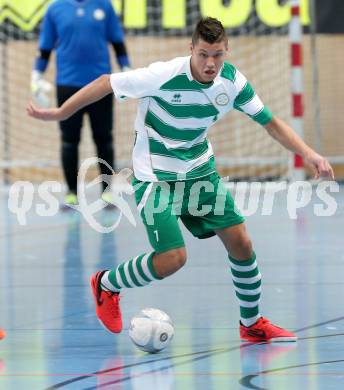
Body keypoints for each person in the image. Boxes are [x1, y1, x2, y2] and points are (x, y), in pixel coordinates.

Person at [27, 17, 334, 342]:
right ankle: (106, 284)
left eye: (217, 54)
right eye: (203, 54)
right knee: (173, 258)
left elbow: (271, 123)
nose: (210, 63)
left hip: (199, 169)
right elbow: (106, 81)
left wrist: (310, 154)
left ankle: (251, 323)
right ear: (191, 49)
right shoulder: (164, 75)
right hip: (154, 174)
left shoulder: (232, 83)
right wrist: (61, 112)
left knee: (241, 243)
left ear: (226, 50)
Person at [31, 0, 130, 206]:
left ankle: (107, 191)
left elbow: (117, 42)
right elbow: (45, 48)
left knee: (104, 139)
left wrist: (126, 69)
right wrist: (36, 75)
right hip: (67, 84)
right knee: (69, 140)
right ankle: (71, 193)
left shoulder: (104, 6)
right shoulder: (55, 9)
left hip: (100, 84)